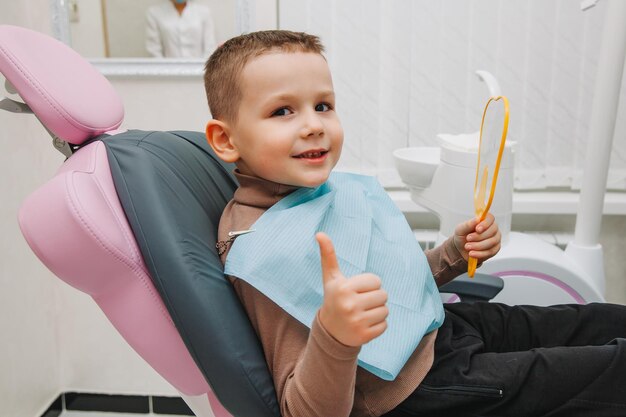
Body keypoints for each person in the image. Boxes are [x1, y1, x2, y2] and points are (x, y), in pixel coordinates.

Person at [204, 30, 626, 417]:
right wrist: (334, 336)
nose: (314, 125)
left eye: (323, 106)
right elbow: (303, 410)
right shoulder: (261, 252)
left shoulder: (324, 194)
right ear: (226, 139)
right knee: (610, 370)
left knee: (601, 320)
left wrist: (454, 255)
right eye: (282, 111)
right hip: (417, 389)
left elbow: (395, 286)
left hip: (438, 330)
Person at [145, 0, 216, 58]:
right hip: (168, 71)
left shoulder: (203, 12)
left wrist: (202, 70)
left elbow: (210, 48)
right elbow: (154, 50)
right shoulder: (154, 13)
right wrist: (163, 71)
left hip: (199, 70)